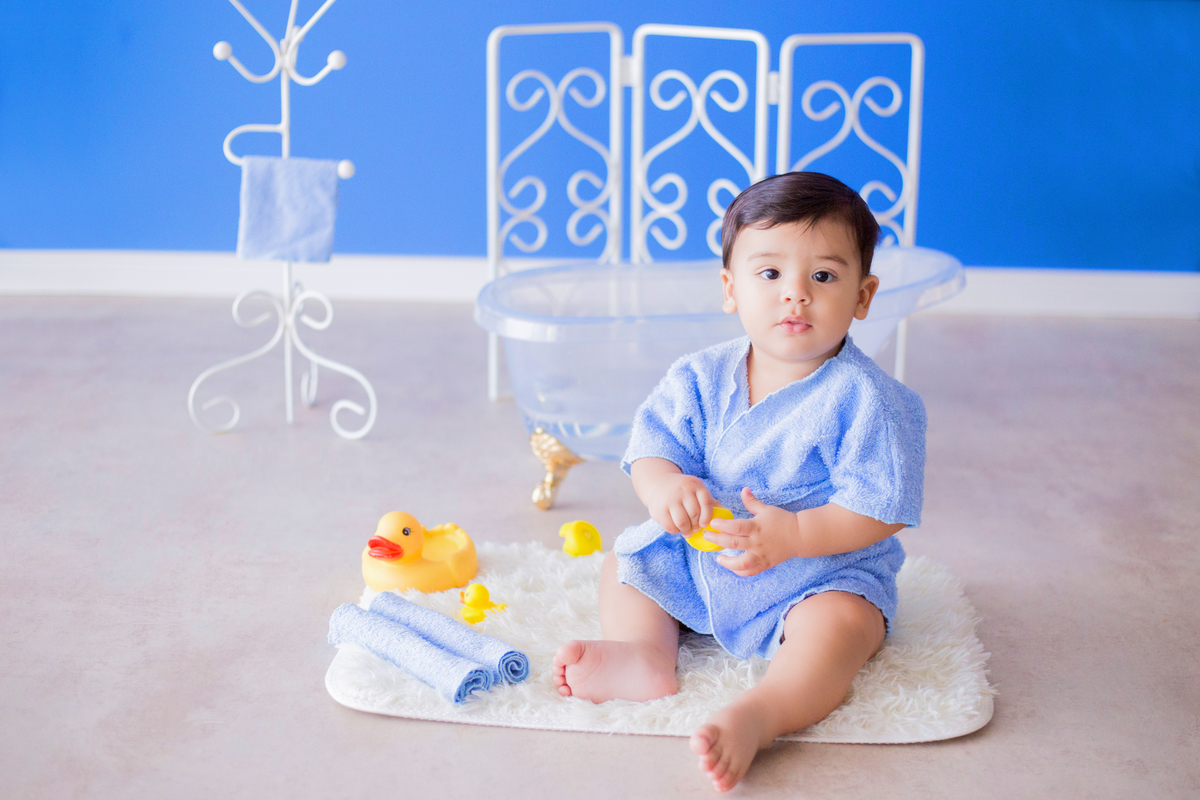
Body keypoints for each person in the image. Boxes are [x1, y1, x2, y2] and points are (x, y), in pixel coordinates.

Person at [551, 172, 927, 792]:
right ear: (731, 288)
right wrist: (665, 487)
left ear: (863, 295)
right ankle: (646, 656)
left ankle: (764, 712)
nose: (795, 296)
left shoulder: (870, 401)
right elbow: (652, 448)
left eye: (824, 277)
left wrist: (798, 535)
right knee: (628, 560)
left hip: (819, 570)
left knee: (842, 627)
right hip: (706, 556)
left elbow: (881, 507)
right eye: (770, 274)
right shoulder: (700, 375)